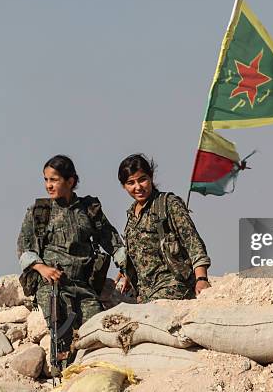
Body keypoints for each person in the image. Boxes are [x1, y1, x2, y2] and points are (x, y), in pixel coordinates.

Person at [16, 155, 126, 366]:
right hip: (54, 287)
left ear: (71, 181)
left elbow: (111, 241)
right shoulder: (39, 212)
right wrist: (42, 268)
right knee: (62, 338)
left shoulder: (89, 210)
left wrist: (128, 267)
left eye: (54, 180)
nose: (49, 185)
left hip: (85, 287)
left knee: (96, 332)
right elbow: (24, 248)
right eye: (46, 180)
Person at [116, 153, 211, 303]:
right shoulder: (132, 215)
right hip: (145, 293)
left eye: (142, 180)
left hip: (173, 285)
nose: (138, 187)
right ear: (124, 186)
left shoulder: (168, 204)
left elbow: (193, 242)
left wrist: (201, 278)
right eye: (131, 183)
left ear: (151, 177)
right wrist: (127, 275)